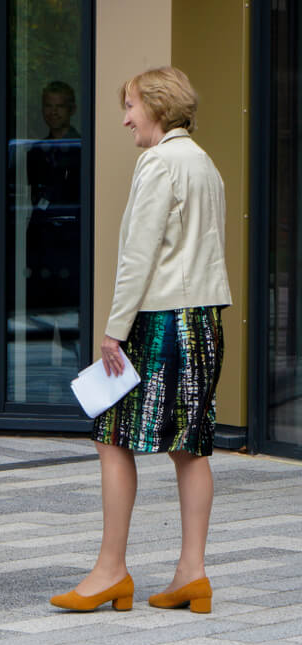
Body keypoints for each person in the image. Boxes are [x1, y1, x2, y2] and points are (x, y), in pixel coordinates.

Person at [50, 67, 231, 614]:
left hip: (160, 320)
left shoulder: (157, 163)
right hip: (203, 319)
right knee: (191, 445)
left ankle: (110, 571)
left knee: (110, 435)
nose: (126, 118)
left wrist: (113, 330)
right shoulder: (205, 164)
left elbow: (139, 255)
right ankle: (191, 574)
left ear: (156, 105)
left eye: (130, 106)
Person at [26, 81, 81, 311]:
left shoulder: (82, 149)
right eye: (48, 106)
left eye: (60, 106)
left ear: (72, 110)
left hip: (72, 240)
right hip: (42, 240)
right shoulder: (36, 151)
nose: (53, 112)